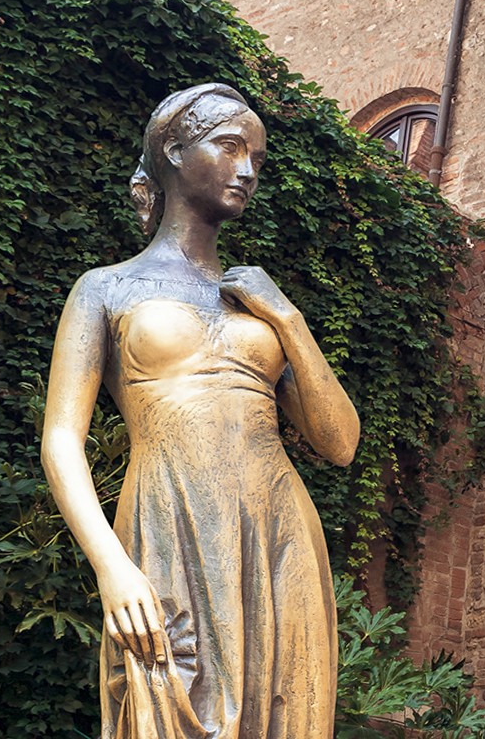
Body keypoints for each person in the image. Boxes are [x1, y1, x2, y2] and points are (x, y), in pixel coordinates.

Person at [41, 83, 360, 738]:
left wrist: (290, 320)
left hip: (277, 531)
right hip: (168, 520)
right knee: (162, 703)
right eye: (230, 146)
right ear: (174, 151)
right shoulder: (106, 288)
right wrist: (111, 566)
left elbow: (340, 442)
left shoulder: (257, 303)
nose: (247, 170)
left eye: (258, 159)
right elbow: (61, 440)